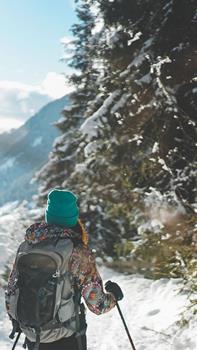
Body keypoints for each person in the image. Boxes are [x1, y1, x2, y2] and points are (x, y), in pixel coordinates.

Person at [5, 189, 123, 350]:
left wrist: (22, 320)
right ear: (73, 217)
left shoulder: (27, 245)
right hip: (67, 337)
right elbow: (98, 304)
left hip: (33, 335)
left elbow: (11, 290)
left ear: (49, 215)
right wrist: (114, 296)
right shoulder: (78, 251)